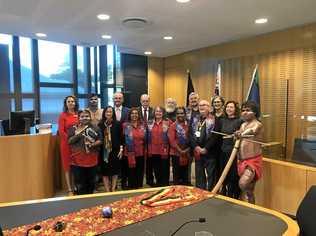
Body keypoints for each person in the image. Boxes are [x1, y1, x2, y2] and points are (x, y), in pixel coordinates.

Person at [68, 109, 102, 195]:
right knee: (80, 185)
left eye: (87, 116)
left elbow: (101, 140)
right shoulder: (73, 128)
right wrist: (79, 133)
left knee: (91, 184)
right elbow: (69, 141)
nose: (84, 118)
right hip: (77, 162)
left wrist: (92, 145)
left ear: (90, 117)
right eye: (82, 116)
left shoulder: (96, 128)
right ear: (79, 118)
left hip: (92, 161)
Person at [235, 101, 264, 204]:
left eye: (248, 110)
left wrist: (241, 133)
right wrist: (239, 133)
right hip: (241, 161)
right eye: (243, 110)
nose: (244, 113)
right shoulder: (243, 125)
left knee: (243, 184)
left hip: (253, 161)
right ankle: (251, 206)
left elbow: (252, 131)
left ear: (255, 112)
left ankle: (250, 202)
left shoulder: (258, 124)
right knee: (249, 190)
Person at [190, 100, 220, 190]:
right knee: (199, 174)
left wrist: (206, 148)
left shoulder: (215, 119)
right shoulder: (195, 119)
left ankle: (211, 193)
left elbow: (215, 136)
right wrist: (196, 147)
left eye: (204, 105)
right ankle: (200, 191)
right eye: (200, 105)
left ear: (209, 107)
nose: (201, 107)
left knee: (211, 175)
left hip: (210, 152)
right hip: (198, 152)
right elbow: (190, 134)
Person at [219, 101, 243, 199]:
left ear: (235, 109)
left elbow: (242, 135)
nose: (229, 109)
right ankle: (225, 194)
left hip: (234, 153)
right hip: (223, 151)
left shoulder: (240, 121)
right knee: (224, 174)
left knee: (233, 175)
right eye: (227, 107)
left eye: (231, 107)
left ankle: (234, 196)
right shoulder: (222, 120)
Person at [98, 106, 123, 192]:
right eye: (107, 112)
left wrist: (121, 149)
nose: (108, 113)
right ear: (104, 113)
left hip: (115, 151)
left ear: (113, 113)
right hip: (103, 152)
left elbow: (121, 138)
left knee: (114, 171)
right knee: (105, 172)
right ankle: (107, 190)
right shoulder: (100, 125)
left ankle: (113, 188)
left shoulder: (118, 124)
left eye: (110, 112)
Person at [58, 95, 79, 195]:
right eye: (69, 101)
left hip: (77, 144)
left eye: (72, 101)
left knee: (75, 165)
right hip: (66, 144)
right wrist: (70, 139)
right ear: (66, 104)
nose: (71, 103)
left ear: (75, 103)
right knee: (67, 167)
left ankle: (75, 186)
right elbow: (61, 131)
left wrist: (76, 139)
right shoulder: (63, 115)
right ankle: (70, 189)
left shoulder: (78, 114)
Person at [123, 108, 146, 189]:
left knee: (139, 172)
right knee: (130, 173)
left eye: (136, 113)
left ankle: (138, 188)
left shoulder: (142, 125)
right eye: (132, 113)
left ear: (138, 115)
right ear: (130, 115)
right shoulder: (125, 125)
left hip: (140, 152)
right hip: (129, 154)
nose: (134, 115)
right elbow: (122, 139)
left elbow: (145, 138)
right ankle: (131, 188)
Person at [147, 106, 170, 186]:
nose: (158, 113)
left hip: (164, 150)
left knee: (164, 169)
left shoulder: (168, 122)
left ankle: (165, 184)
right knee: (156, 169)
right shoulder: (149, 122)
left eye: (160, 111)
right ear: (154, 113)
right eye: (156, 111)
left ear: (163, 113)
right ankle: (158, 184)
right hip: (153, 150)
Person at [168, 107, 190, 185]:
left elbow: (192, 138)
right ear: (176, 115)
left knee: (185, 174)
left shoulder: (189, 125)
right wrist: (180, 150)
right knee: (176, 174)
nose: (180, 115)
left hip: (187, 153)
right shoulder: (173, 126)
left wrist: (187, 150)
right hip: (176, 153)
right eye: (178, 113)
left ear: (185, 114)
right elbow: (172, 140)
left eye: (182, 113)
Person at [138, 94, 154, 186]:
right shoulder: (136, 111)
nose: (145, 103)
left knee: (150, 161)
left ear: (149, 101)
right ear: (140, 101)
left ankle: (150, 180)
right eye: (143, 101)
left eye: (147, 101)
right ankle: (139, 181)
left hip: (151, 140)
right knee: (139, 161)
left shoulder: (153, 111)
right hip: (139, 140)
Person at [186, 92, 200, 185]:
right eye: (191, 99)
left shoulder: (201, 110)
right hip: (187, 140)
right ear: (189, 100)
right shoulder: (186, 110)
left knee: (198, 164)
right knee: (187, 163)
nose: (193, 100)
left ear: (198, 99)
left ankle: (198, 183)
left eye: (195, 98)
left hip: (198, 140)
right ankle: (188, 182)